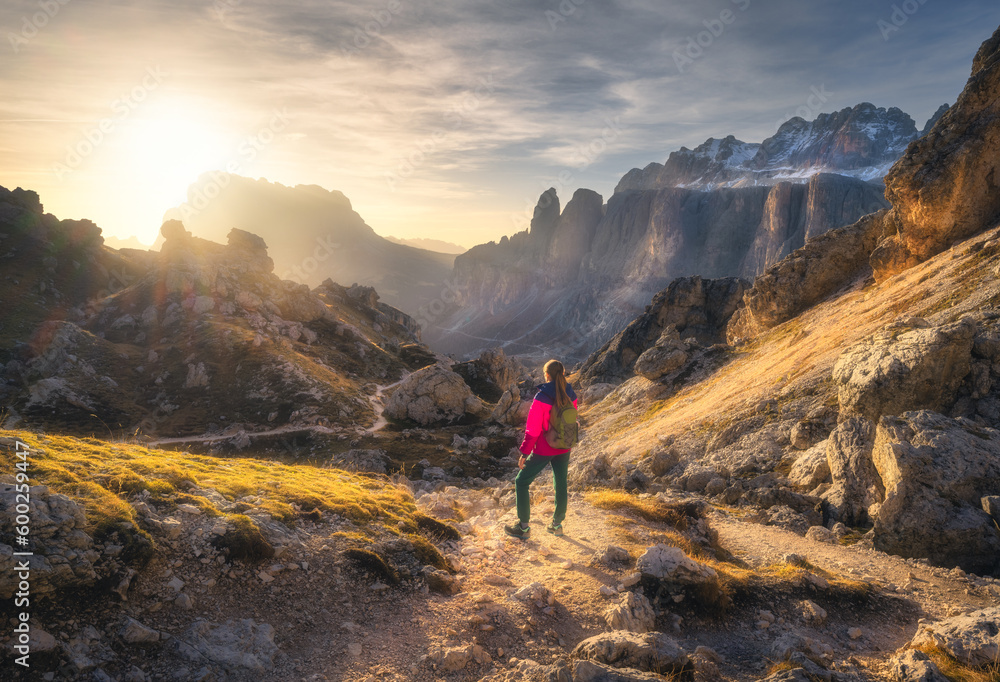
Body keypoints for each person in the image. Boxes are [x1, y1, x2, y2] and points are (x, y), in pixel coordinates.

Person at [505, 359, 578, 539]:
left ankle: (523, 528)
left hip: (545, 449)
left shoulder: (542, 397)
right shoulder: (571, 394)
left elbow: (533, 429)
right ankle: (557, 525)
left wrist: (524, 452)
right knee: (560, 483)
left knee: (521, 482)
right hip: (564, 446)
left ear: (547, 375)